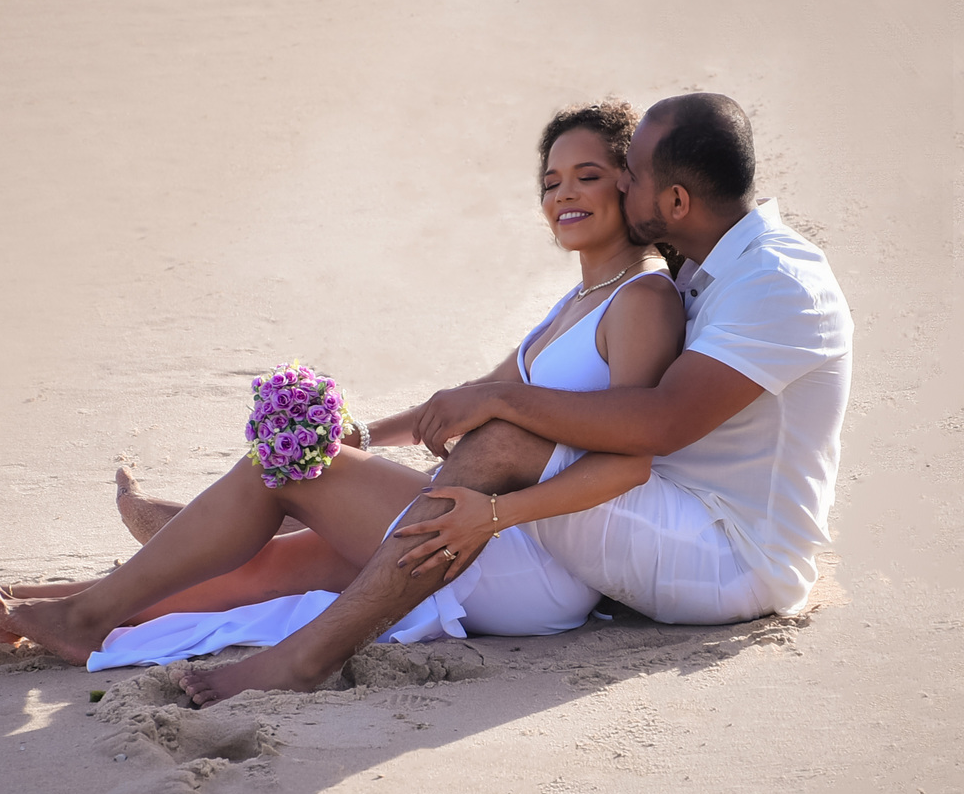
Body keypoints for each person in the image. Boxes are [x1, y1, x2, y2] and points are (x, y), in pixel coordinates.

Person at [0, 100, 686, 673]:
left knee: (287, 467)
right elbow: (463, 402)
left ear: (628, 184)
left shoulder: (642, 299)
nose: (564, 194)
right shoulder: (574, 304)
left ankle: (103, 596)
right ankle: (19, 605)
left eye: (587, 176)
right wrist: (363, 433)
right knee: (277, 567)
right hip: (490, 536)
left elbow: (632, 450)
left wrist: (491, 510)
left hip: (534, 560)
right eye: (551, 181)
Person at [171, 91, 853, 705]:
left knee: (500, 439)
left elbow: (661, 424)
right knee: (463, 452)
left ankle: (306, 654)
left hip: (731, 557)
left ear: (675, 202)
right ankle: (220, 538)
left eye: (632, 174)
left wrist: (501, 447)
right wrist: (379, 432)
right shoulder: (709, 268)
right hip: (665, 518)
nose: (621, 182)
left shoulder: (777, 283)